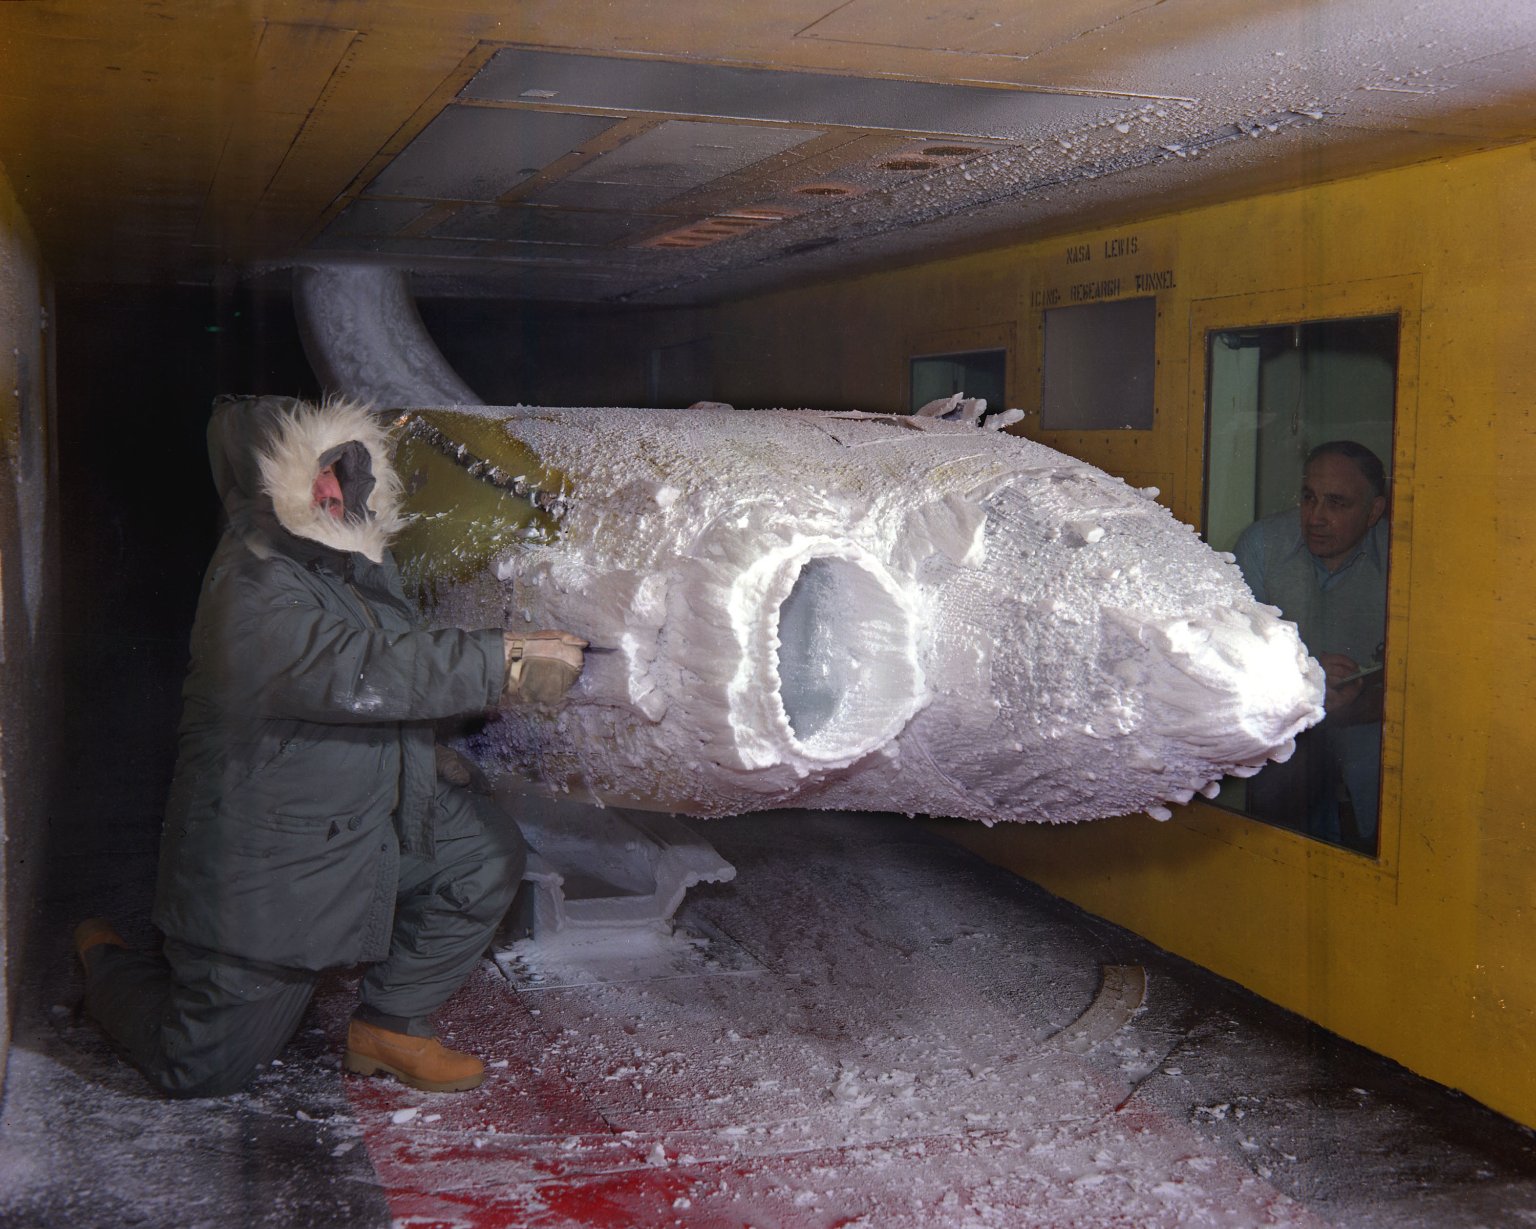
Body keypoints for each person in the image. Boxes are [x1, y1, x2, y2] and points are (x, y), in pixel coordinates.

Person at [72, 394, 587, 1097]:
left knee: (481, 851)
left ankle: (392, 1025)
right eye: (309, 472)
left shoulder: (351, 569)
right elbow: (356, 668)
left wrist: (418, 756)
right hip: (268, 870)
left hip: (354, 824)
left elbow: (380, 674)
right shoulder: (250, 582)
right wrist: (506, 663)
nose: (329, 489)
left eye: (340, 470)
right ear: (265, 477)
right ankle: (106, 962)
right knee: (198, 1064)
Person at [1233, 440, 1388, 850]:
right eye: (1308, 498)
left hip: (1374, 746)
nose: (1315, 517)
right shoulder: (1262, 546)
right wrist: (1302, 684)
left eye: (1336, 503)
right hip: (1282, 744)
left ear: (1374, 512)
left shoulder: (1405, 558)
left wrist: (1361, 702)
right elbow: (1226, 659)